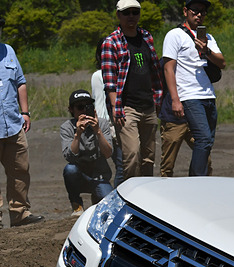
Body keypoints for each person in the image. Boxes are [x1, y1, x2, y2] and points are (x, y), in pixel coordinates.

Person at [101, 0, 163, 183]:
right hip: (127, 107)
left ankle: (147, 192)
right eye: (126, 13)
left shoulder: (146, 37)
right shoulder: (111, 42)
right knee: (132, 154)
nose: (131, 16)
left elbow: (154, 71)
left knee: (148, 156)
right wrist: (116, 107)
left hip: (148, 105)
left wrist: (158, 99)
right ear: (118, 15)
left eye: (135, 12)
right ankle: (131, 192)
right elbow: (110, 80)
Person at [162, 0, 226, 176]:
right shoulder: (175, 35)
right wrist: (175, 99)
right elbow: (168, 68)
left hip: (208, 95)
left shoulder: (208, 38)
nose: (199, 15)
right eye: (195, 11)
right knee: (203, 139)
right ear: (185, 11)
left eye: (203, 12)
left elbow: (222, 63)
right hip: (189, 95)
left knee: (207, 141)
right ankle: (196, 180)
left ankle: (199, 179)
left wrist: (206, 51)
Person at [0, 37, 43, 227]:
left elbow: (20, 82)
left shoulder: (8, 51)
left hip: (13, 123)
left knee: (20, 170)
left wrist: (25, 112)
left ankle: (20, 213)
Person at [60, 90, 113, 216]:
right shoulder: (67, 127)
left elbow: (108, 153)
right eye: (80, 107)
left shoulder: (102, 124)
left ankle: (96, 197)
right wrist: (77, 134)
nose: (84, 111)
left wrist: (98, 131)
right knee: (70, 169)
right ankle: (76, 204)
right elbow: (69, 157)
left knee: (109, 204)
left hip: (99, 175)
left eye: (88, 106)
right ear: (71, 110)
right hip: (79, 175)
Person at [91, 39, 123, 183]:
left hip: (125, 122)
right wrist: (104, 130)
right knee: (122, 165)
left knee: (126, 164)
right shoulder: (98, 75)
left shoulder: (122, 73)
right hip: (112, 126)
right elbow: (99, 104)